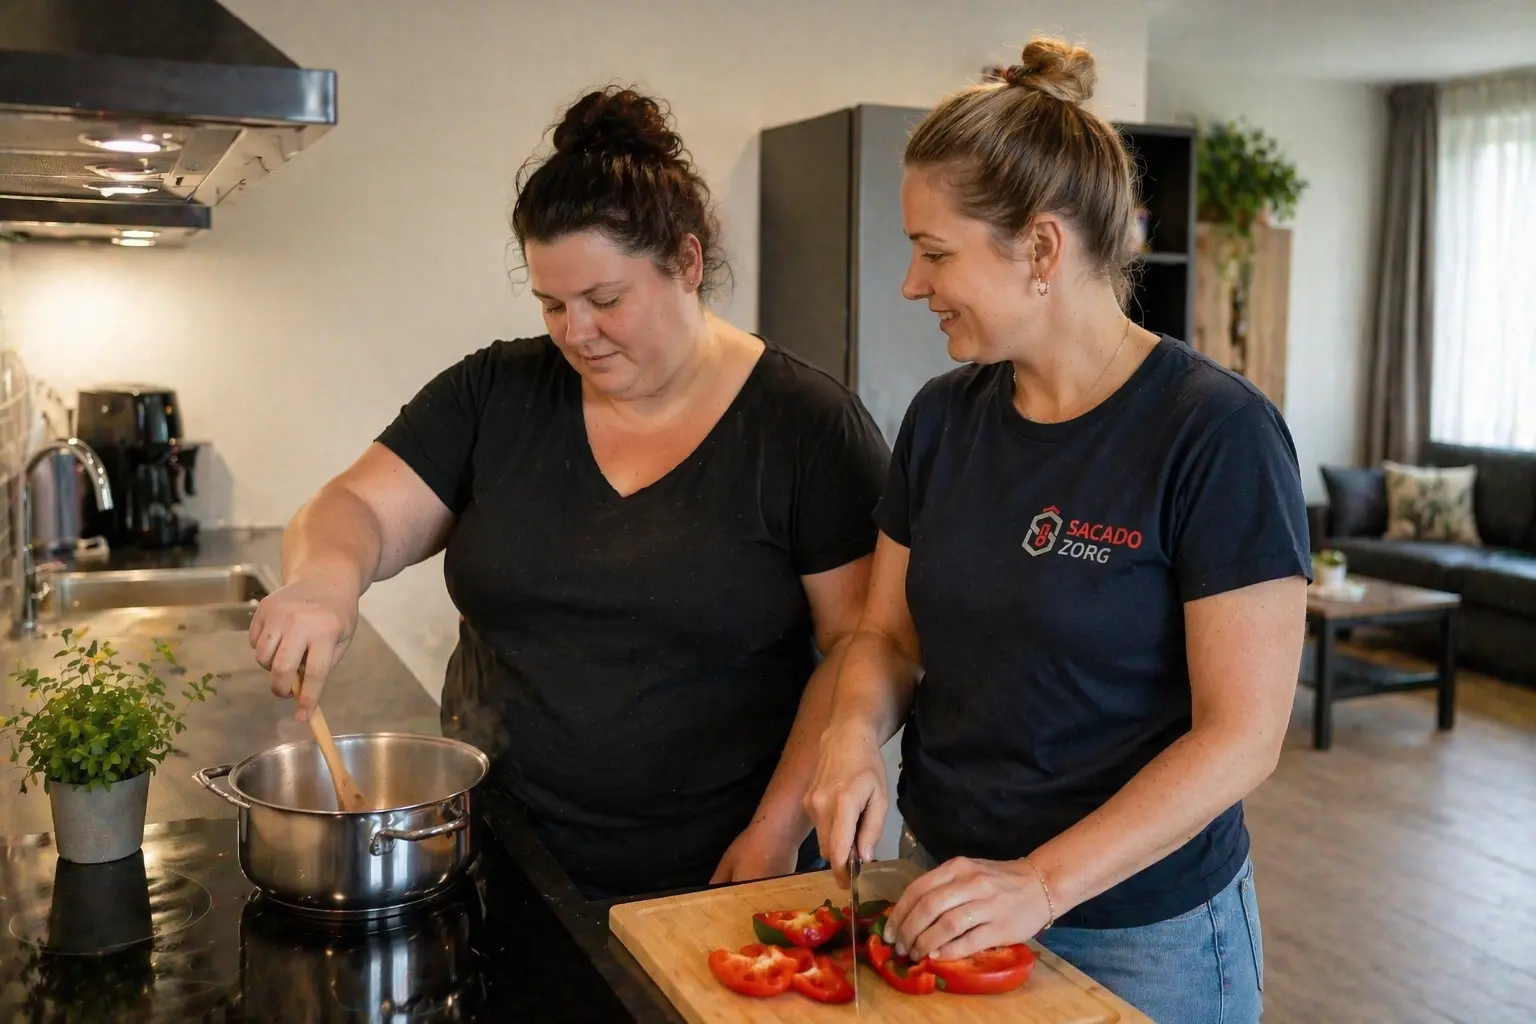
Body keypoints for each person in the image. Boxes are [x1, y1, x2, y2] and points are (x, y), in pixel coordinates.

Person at [249, 86, 890, 899]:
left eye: (605, 300)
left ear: (687, 264)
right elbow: (357, 508)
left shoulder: (807, 427)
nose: (575, 332)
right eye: (552, 304)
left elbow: (857, 651)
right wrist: (324, 582)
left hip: (719, 866)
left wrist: (776, 831)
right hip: (494, 848)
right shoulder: (497, 391)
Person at [803, 36, 1311, 1023]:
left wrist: (1040, 882)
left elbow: (1243, 737)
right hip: (942, 895)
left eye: (936, 251)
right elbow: (887, 634)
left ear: (1041, 248)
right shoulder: (944, 417)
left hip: (1138, 935)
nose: (913, 283)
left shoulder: (1217, 433)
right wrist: (852, 736)